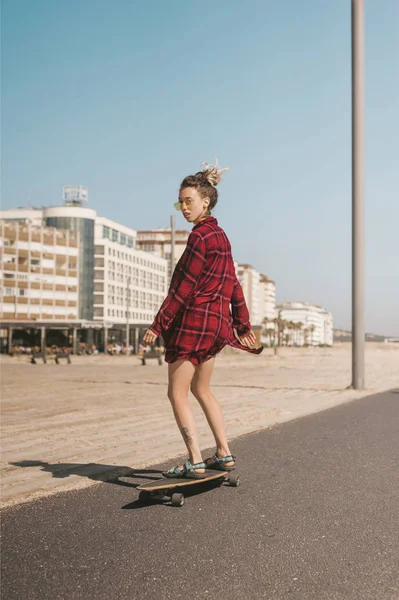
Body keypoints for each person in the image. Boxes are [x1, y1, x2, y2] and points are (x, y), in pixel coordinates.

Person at [143, 158, 263, 479]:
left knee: (177, 393)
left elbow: (183, 289)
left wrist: (158, 325)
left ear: (205, 202)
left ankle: (195, 459)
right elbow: (232, 283)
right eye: (180, 202)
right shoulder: (221, 236)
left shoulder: (199, 238)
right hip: (216, 329)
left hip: (193, 326)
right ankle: (223, 453)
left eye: (189, 201)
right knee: (202, 390)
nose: (184, 207)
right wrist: (242, 323)